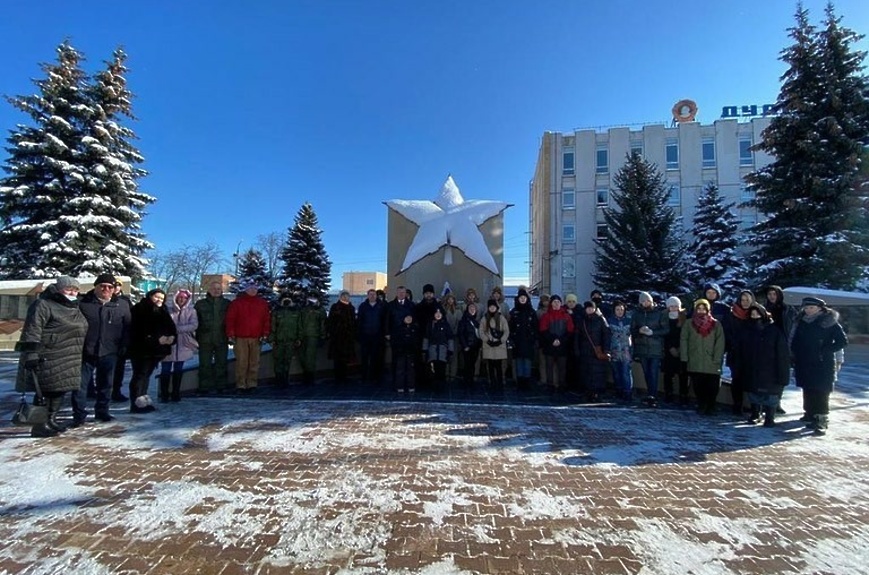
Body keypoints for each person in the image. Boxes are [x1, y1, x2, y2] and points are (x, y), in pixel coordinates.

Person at [15, 276, 88, 437]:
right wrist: (31, 353)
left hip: (69, 355)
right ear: (58, 288)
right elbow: (33, 329)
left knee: (59, 391)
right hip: (48, 354)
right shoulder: (43, 304)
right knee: (46, 391)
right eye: (69, 289)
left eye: (75, 290)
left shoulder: (73, 307)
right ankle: (40, 425)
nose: (72, 292)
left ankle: (51, 420)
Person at [72, 273, 131, 425]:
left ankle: (102, 412)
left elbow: (128, 327)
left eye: (110, 287)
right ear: (96, 287)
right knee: (80, 386)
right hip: (86, 351)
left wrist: (124, 346)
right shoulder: (83, 303)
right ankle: (79, 415)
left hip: (110, 351)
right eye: (102, 286)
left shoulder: (122, 305)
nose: (106, 289)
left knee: (106, 384)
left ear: (114, 289)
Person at [790, 296, 848, 436]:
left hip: (823, 363)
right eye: (806, 308)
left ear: (820, 308)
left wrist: (825, 350)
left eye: (812, 308)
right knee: (808, 388)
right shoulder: (801, 322)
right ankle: (810, 414)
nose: (808, 310)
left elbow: (842, 341)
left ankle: (821, 419)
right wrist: (793, 354)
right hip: (804, 361)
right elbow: (795, 340)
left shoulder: (829, 321)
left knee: (821, 391)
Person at [738, 303, 790, 427]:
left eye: (757, 313)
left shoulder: (774, 330)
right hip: (752, 366)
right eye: (752, 313)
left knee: (771, 394)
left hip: (770, 368)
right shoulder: (747, 329)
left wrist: (783, 370)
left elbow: (782, 352)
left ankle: (770, 417)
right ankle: (755, 414)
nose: (755, 316)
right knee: (753, 392)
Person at [128, 289, 176, 413]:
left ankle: (143, 401)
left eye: (161, 298)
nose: (159, 300)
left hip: (156, 351)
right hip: (142, 350)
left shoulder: (163, 310)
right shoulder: (140, 309)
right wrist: (156, 339)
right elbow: (138, 330)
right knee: (139, 375)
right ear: (150, 296)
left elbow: (171, 326)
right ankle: (136, 404)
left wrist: (172, 337)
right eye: (156, 297)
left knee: (146, 376)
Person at [681, 299, 726, 416]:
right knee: (698, 385)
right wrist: (685, 357)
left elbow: (720, 342)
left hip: (712, 360)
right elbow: (684, 340)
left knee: (713, 386)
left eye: (703, 309)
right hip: (695, 359)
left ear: (708, 310)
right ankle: (701, 404)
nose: (701, 311)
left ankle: (711, 405)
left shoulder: (716, 324)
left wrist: (717, 357)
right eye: (699, 309)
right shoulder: (689, 323)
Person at [225, 281, 271, 393]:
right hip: (241, 337)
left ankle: (252, 384)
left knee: (254, 362)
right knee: (242, 362)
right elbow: (230, 319)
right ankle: (241, 385)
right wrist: (231, 333)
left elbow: (266, 320)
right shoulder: (237, 303)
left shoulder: (262, 303)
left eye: (255, 289)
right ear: (246, 290)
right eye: (250, 288)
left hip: (256, 337)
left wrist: (265, 333)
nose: (253, 290)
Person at [159, 289, 198, 402]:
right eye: (180, 297)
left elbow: (194, 325)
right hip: (169, 343)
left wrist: (177, 329)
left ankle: (176, 392)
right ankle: (164, 393)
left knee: (178, 369)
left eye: (184, 298)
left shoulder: (191, 311)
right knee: (165, 368)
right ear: (176, 298)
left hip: (183, 342)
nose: (182, 299)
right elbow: (163, 324)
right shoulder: (168, 310)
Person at [630, 291, 668, 407]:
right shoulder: (637, 314)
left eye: (648, 301)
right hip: (642, 348)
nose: (646, 303)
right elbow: (632, 330)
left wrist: (652, 332)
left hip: (655, 348)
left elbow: (665, 329)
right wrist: (639, 331)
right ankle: (650, 394)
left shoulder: (659, 313)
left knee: (653, 372)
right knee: (646, 372)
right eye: (643, 301)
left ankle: (653, 395)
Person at [194, 280, 230, 394]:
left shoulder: (227, 304)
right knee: (205, 364)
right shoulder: (200, 304)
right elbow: (195, 321)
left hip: (221, 338)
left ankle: (221, 386)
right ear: (209, 290)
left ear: (222, 290)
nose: (216, 291)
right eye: (213, 289)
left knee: (222, 363)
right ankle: (204, 387)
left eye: (218, 289)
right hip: (205, 339)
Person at [726, 290, 756, 415]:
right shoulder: (732, 314)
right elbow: (727, 332)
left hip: (752, 354)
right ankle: (737, 405)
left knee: (752, 381)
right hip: (736, 352)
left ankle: (754, 408)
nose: (745, 303)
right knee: (736, 380)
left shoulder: (756, 314)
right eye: (742, 300)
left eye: (747, 300)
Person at [575, 300, 611, 403]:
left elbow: (606, 335)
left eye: (592, 308)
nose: (590, 309)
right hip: (585, 350)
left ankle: (597, 392)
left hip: (597, 350)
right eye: (588, 308)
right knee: (585, 372)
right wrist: (577, 349)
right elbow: (577, 336)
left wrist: (606, 349)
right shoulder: (582, 321)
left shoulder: (601, 320)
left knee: (597, 373)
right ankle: (587, 391)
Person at [538, 294, 574, 393]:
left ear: (561, 303)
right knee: (549, 366)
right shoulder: (546, 316)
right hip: (550, 344)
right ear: (551, 303)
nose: (556, 303)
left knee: (562, 367)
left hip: (563, 345)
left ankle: (562, 384)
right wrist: (553, 339)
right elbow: (543, 330)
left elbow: (570, 330)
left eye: (558, 302)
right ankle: (550, 384)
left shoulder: (566, 316)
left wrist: (561, 340)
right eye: (554, 302)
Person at [270, 293, 303, 387]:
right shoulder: (277, 312)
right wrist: (272, 339)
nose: (287, 300)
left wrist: (299, 338)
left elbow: (299, 326)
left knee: (287, 360)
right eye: (285, 299)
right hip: (279, 341)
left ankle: (285, 379)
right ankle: (278, 379)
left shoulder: (296, 312)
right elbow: (272, 326)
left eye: (288, 299)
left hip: (291, 340)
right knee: (278, 361)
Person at [508, 288, 538, 390]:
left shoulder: (532, 312)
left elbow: (535, 326)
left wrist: (534, 339)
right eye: (521, 297)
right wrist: (511, 339)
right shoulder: (514, 312)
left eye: (524, 297)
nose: (522, 299)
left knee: (527, 361)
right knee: (519, 361)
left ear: (527, 299)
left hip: (528, 341)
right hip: (517, 341)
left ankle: (527, 381)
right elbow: (510, 327)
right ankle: (519, 381)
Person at [662, 296, 689, 406]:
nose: (674, 308)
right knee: (668, 374)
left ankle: (683, 395)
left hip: (681, 348)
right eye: (671, 306)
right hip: (668, 350)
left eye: (676, 306)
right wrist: (670, 347)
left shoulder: (684, 318)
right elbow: (664, 335)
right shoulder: (664, 318)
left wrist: (679, 348)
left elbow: (686, 334)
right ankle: (668, 394)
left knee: (683, 374)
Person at [110, 278, 133, 402]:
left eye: (118, 285)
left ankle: (116, 391)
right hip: (107, 340)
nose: (116, 287)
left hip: (121, 340)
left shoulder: (125, 301)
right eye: (114, 285)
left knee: (119, 369)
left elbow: (130, 320)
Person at [356, 289, 385, 383]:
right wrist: (359, 334)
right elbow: (359, 321)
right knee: (364, 357)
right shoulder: (363, 306)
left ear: (376, 296)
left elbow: (384, 320)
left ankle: (375, 376)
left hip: (377, 336)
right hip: (365, 335)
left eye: (374, 294)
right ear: (367, 296)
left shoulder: (381, 306)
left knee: (375, 357)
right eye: (370, 294)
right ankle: (364, 376)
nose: (372, 296)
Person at [327, 290, 357, 383]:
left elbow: (353, 322)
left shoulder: (351, 307)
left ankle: (343, 376)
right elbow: (330, 322)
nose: (346, 297)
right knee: (338, 358)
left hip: (347, 337)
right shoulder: (335, 307)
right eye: (344, 296)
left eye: (347, 296)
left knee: (345, 358)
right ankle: (338, 377)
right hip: (338, 337)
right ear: (341, 297)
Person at [480, 298, 510, 390]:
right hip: (488, 345)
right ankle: (492, 382)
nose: (492, 308)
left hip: (499, 346)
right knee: (490, 365)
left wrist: (501, 341)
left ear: (497, 307)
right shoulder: (485, 318)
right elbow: (481, 331)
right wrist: (487, 340)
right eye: (490, 307)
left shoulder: (501, 318)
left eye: (494, 306)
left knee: (499, 366)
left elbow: (506, 331)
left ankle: (500, 383)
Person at [608, 300, 633, 403]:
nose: (620, 311)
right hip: (614, 350)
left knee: (626, 372)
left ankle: (627, 392)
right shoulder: (609, 321)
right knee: (616, 372)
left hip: (626, 350)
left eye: (622, 309)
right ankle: (618, 390)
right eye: (617, 309)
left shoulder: (629, 320)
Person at [423, 306, 453, 389]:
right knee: (433, 368)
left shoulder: (446, 325)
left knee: (442, 368)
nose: (438, 315)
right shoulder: (430, 324)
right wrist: (424, 350)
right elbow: (426, 337)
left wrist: (450, 350)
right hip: (432, 349)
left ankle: (441, 385)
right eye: (436, 313)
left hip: (443, 350)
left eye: (440, 313)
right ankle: (433, 385)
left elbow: (450, 338)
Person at [299, 296, 327, 385]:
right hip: (303, 336)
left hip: (313, 336)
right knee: (302, 356)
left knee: (310, 357)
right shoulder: (303, 309)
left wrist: (322, 336)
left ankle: (309, 377)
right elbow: (299, 321)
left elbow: (323, 323)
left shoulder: (319, 310)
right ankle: (306, 374)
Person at [392, 312, 419, 394]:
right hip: (401, 352)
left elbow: (417, 340)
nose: (408, 319)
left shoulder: (415, 328)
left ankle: (411, 386)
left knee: (411, 370)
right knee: (400, 370)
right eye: (407, 318)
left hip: (411, 352)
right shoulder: (399, 328)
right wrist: (398, 349)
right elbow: (395, 340)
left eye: (410, 318)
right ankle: (400, 386)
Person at [456, 302, 482, 386]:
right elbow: (461, 334)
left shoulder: (476, 321)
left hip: (475, 346)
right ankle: (466, 381)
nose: (472, 310)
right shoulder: (463, 321)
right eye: (470, 308)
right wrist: (465, 346)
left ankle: (471, 380)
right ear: (467, 310)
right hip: (468, 346)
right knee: (467, 364)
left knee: (472, 364)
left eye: (474, 308)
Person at [441, 293, 462, 381]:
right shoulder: (443, 310)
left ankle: (453, 374)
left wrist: (455, 332)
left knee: (454, 356)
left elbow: (460, 323)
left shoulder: (458, 310)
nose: (450, 301)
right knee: (445, 355)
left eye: (452, 299)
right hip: (445, 336)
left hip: (455, 336)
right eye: (448, 299)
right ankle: (445, 374)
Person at [536, 294, 550, 386]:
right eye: (543, 300)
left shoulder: (552, 311)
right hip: (541, 338)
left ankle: (551, 379)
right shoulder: (539, 312)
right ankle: (543, 379)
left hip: (551, 338)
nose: (545, 302)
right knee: (542, 361)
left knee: (551, 361)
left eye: (547, 300)